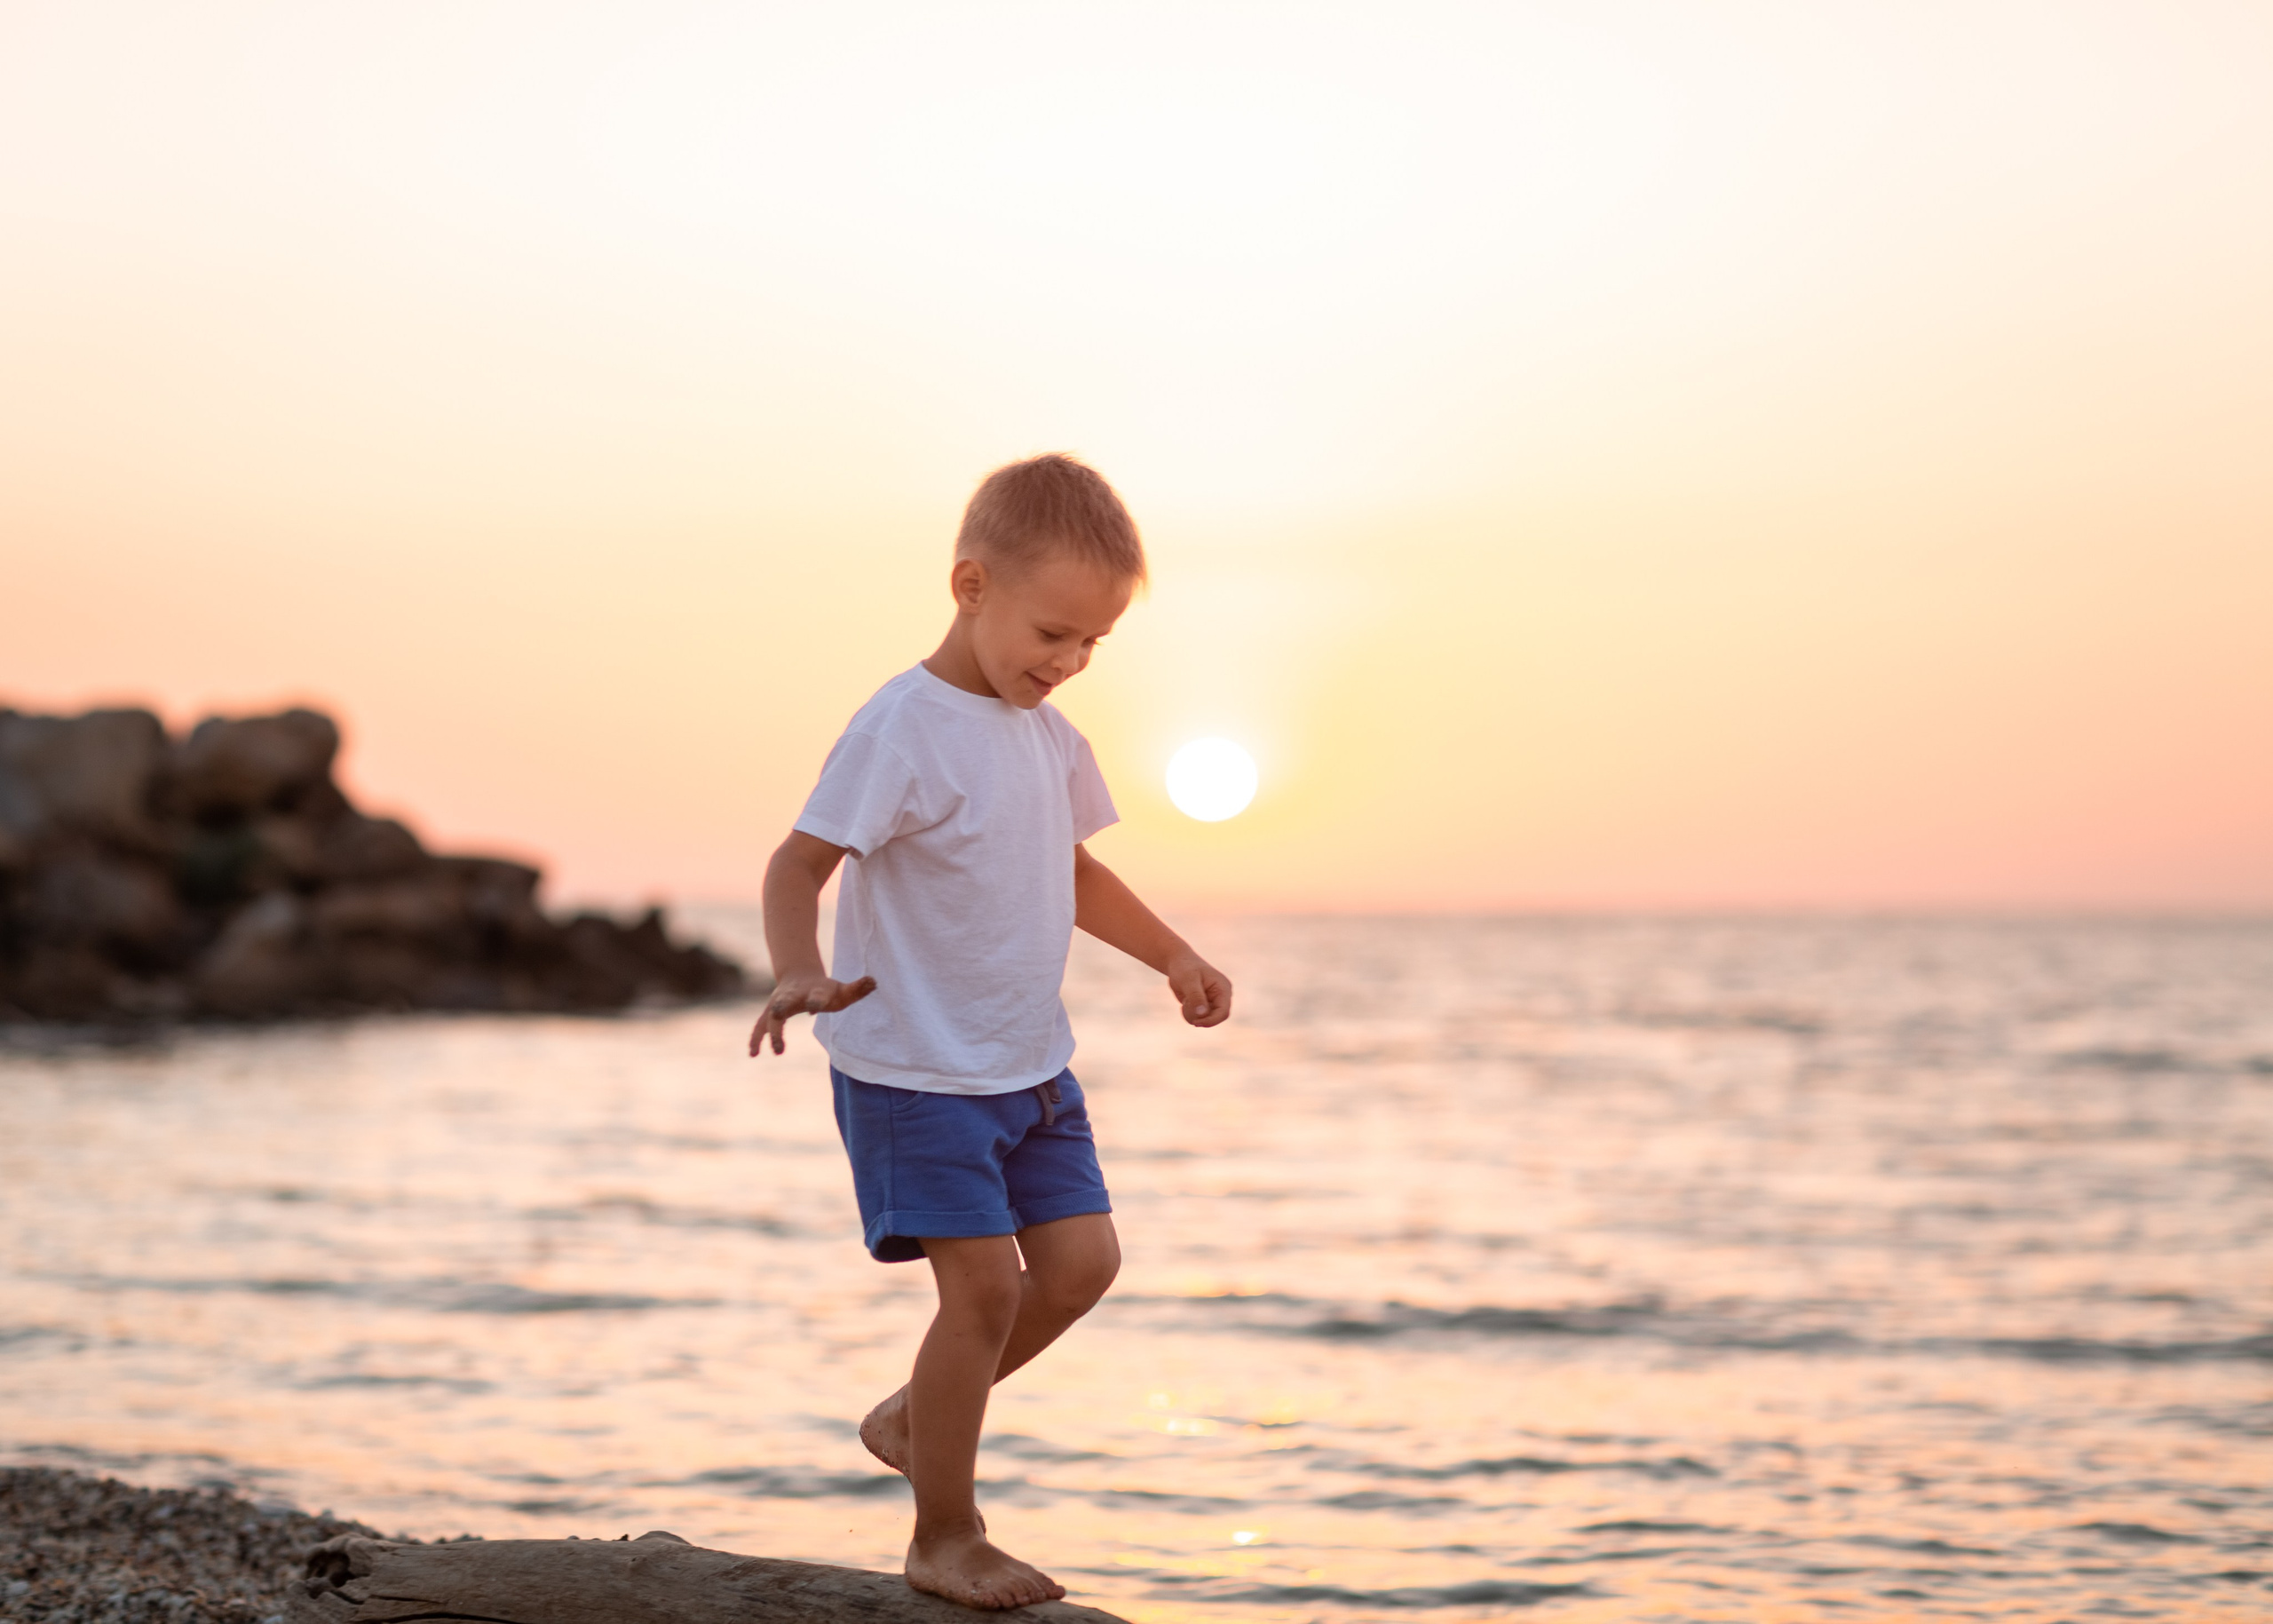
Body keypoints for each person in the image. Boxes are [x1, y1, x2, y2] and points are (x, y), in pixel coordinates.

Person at [748, 454, 1233, 1609]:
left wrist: (1172, 950)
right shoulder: (904, 726)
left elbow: (1072, 871)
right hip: (914, 1071)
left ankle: (917, 1417)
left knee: (1082, 1265)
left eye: (1091, 647)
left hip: (1028, 1065)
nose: (1066, 664)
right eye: (1054, 632)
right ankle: (943, 1532)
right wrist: (797, 970)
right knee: (981, 1294)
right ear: (971, 584)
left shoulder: (1050, 739)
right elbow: (797, 860)